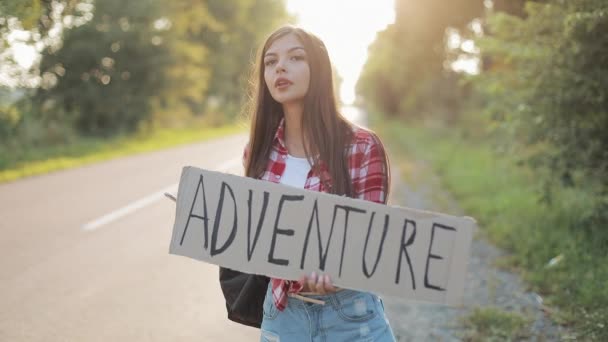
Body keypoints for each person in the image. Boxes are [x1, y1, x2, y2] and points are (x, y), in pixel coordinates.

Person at [220, 25, 396, 342]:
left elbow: (370, 239)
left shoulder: (362, 147)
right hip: (283, 317)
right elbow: (257, 239)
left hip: (351, 316)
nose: (280, 67)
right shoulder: (257, 151)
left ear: (319, 69)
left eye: (295, 57)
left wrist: (338, 272)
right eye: (270, 62)